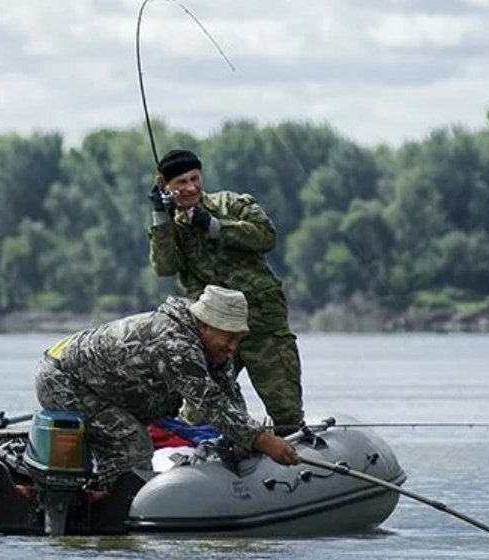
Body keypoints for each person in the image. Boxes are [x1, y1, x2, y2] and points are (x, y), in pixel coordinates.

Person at [34, 285, 299, 489]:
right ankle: (114, 513)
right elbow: (208, 402)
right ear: (205, 327)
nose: (233, 347)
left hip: (110, 389)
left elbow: (229, 397)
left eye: (239, 339)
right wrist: (262, 441)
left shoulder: (214, 349)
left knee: (135, 436)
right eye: (228, 337)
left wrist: (244, 438)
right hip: (63, 379)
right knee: (131, 444)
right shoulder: (174, 342)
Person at [147, 148, 304, 433]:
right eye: (181, 182)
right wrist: (161, 218)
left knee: (286, 409)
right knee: (199, 411)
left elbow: (266, 237)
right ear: (166, 187)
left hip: (261, 323)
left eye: (195, 178)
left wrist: (215, 226)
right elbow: (164, 267)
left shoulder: (231, 204)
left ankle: (289, 454)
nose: (191, 187)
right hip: (213, 333)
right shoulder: (170, 226)